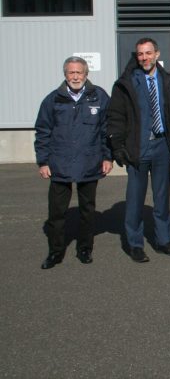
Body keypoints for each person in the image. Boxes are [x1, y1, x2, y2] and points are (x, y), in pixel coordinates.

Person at [107, 37, 170, 263]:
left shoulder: (168, 81)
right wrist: (118, 146)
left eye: (148, 53)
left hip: (162, 146)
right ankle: (135, 244)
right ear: (136, 56)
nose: (144, 58)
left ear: (157, 54)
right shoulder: (126, 83)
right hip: (138, 147)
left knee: (162, 198)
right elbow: (116, 117)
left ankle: (163, 241)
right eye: (140, 54)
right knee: (135, 199)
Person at [34, 56, 113, 269]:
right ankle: (55, 252)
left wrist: (107, 157)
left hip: (90, 162)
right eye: (71, 72)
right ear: (65, 74)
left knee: (87, 210)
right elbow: (43, 132)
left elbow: (107, 131)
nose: (75, 76)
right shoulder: (53, 99)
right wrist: (43, 161)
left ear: (86, 74)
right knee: (57, 212)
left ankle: (85, 249)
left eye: (79, 72)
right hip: (59, 164)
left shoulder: (99, 97)